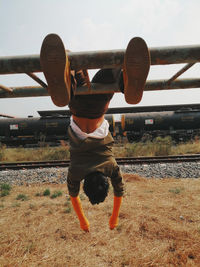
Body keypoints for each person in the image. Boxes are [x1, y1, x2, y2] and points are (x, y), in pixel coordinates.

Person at [40, 34, 150, 232]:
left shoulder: (111, 167)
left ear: (105, 180)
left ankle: (126, 84)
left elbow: (120, 191)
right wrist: (83, 221)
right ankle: (68, 80)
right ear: (84, 185)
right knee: (70, 61)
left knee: (113, 69)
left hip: (98, 106)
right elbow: (73, 197)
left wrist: (114, 218)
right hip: (76, 105)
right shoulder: (76, 173)